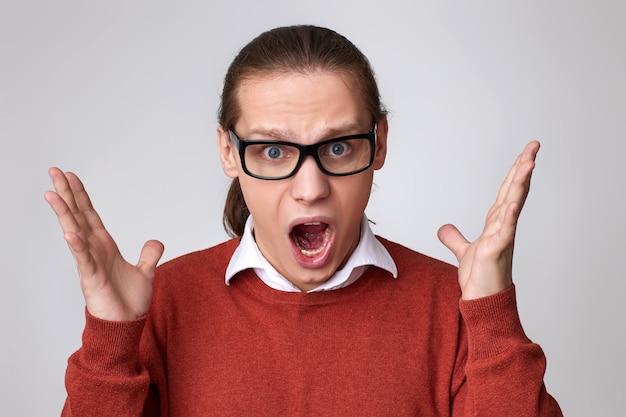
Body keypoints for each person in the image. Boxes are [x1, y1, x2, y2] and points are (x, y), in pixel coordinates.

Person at [45, 25, 563, 416]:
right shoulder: (162, 305)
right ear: (228, 151)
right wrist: (112, 341)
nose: (311, 188)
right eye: (273, 150)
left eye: (338, 147)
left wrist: (493, 318)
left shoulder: (456, 308)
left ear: (379, 142)